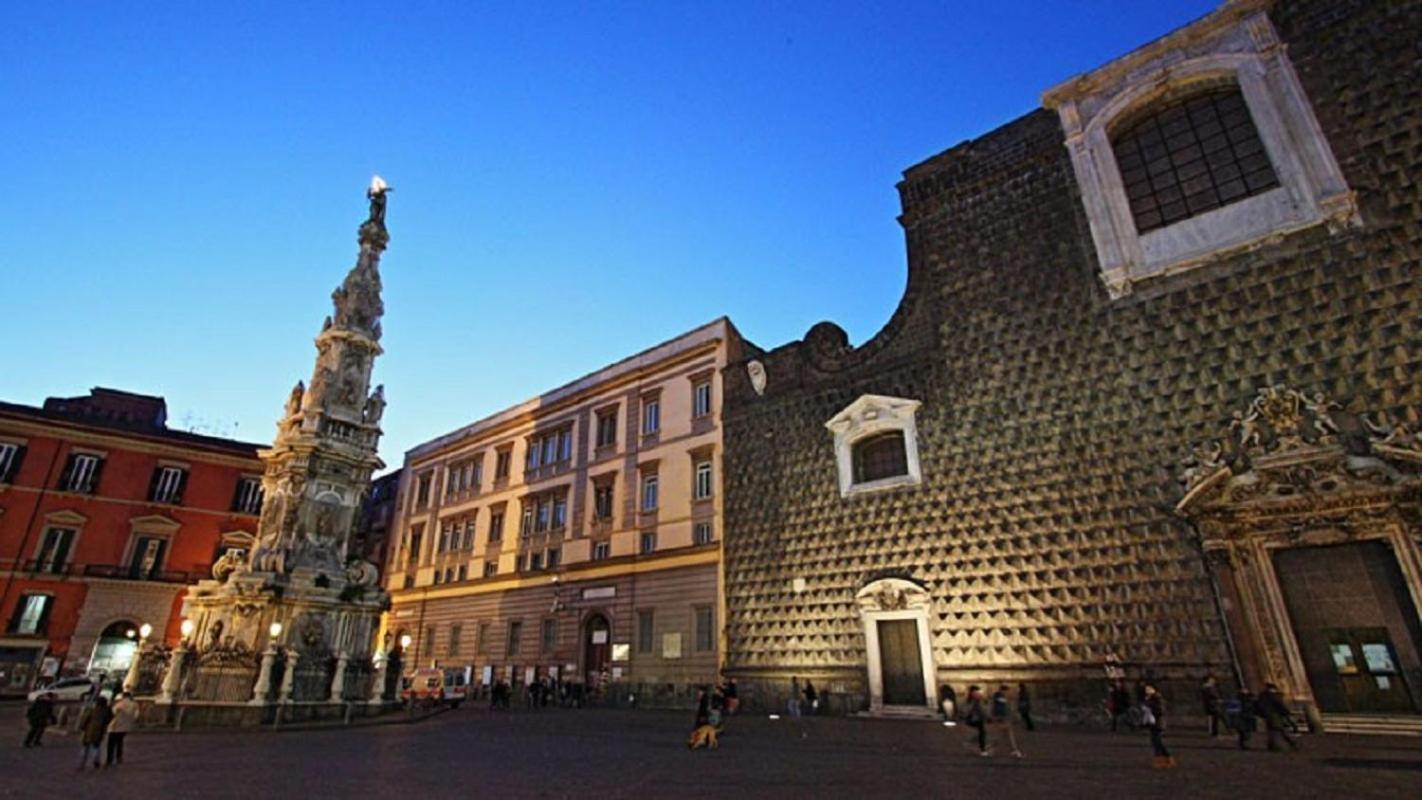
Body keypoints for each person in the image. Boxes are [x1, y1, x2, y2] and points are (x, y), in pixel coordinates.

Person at [1257, 683, 1301, 752]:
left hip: (1268, 716)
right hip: (1275, 715)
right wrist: (1287, 713)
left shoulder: (1262, 696)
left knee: (1272, 731)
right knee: (1281, 730)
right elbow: (1279, 705)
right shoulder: (1274, 696)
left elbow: (1259, 706)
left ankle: (1272, 745)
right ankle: (1292, 743)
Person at [76, 696, 113, 771]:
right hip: (100, 731)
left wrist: (81, 727)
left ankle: (81, 764)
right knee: (96, 747)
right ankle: (96, 761)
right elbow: (110, 718)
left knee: (85, 748)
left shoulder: (92, 710)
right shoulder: (107, 710)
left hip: (89, 730)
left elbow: (85, 719)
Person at [1142, 683, 1173, 769]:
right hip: (1153, 723)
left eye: (1149, 688)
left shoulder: (1158, 698)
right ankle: (1167, 758)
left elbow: (1161, 710)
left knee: (1157, 742)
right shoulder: (1150, 699)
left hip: (1158, 723)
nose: (1147, 690)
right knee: (1156, 742)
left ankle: (1161, 759)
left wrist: (1150, 706)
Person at [989, 685, 1023, 758]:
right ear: (1003, 691)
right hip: (1000, 719)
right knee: (999, 736)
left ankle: (1014, 750)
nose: (1008, 693)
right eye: (1007, 691)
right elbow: (1002, 706)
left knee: (1008, 736)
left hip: (1004, 719)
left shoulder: (1001, 698)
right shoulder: (999, 697)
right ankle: (992, 749)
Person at [106, 691, 139, 766]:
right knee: (119, 742)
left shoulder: (119, 704)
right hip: (125, 726)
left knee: (111, 744)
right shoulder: (134, 704)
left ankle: (109, 759)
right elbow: (136, 715)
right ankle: (119, 757)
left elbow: (113, 712)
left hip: (115, 726)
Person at [961, 685, 989, 756]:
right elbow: (966, 711)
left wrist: (981, 701)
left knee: (982, 732)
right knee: (981, 732)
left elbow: (984, 711)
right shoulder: (968, 701)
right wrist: (974, 703)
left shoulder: (980, 700)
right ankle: (981, 748)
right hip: (971, 719)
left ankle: (982, 747)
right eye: (975, 692)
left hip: (979, 719)